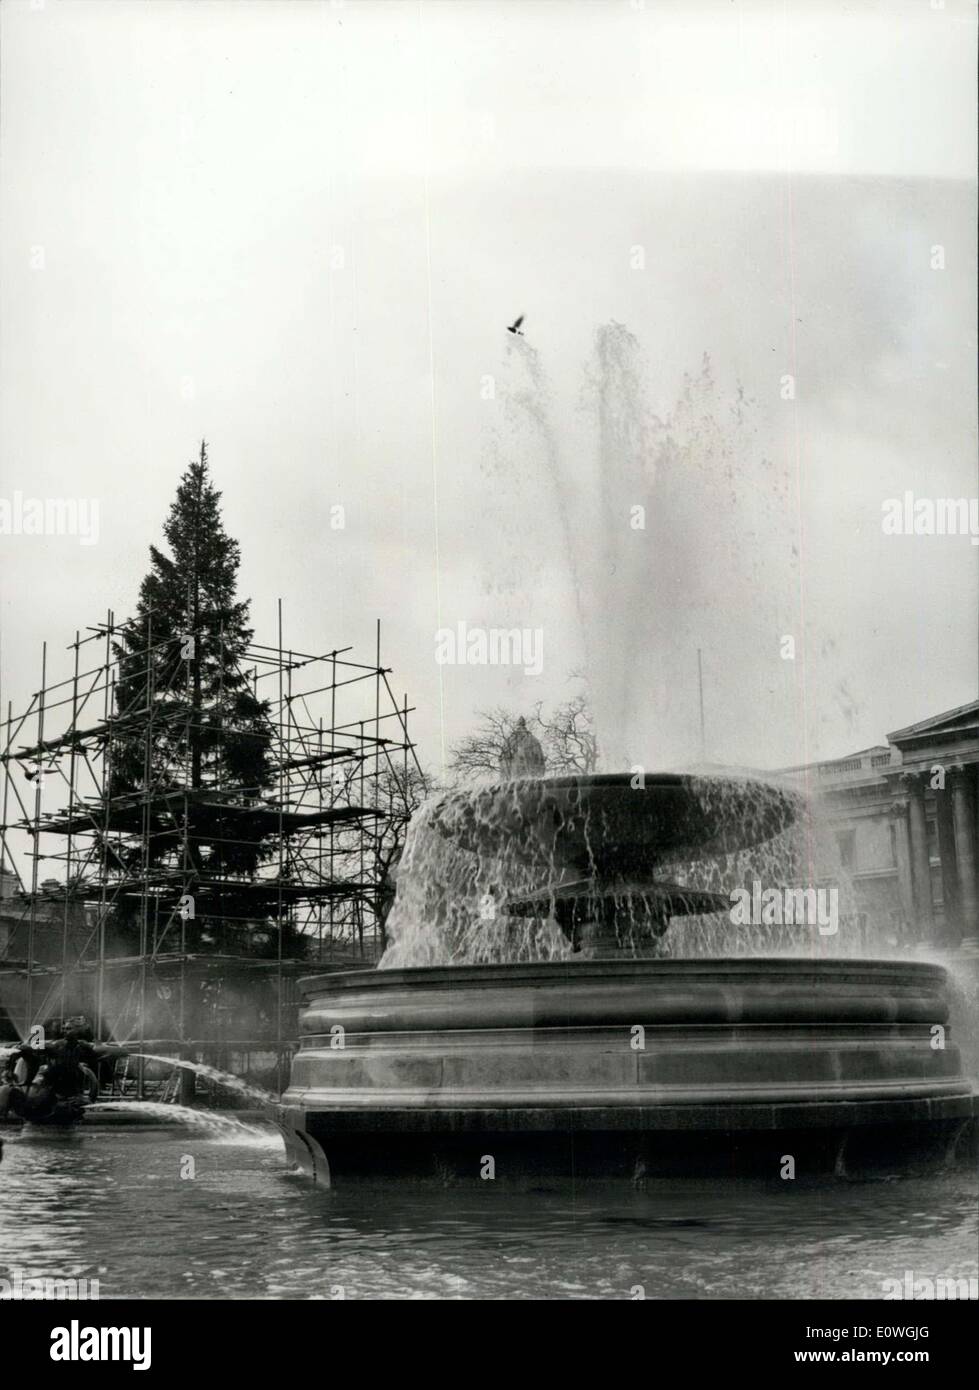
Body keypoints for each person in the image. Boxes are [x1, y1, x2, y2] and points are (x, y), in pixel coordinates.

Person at [0, 1017, 125, 1122]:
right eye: (64, 1028)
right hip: (51, 1086)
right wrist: (24, 1047)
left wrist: (116, 1050)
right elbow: (41, 1047)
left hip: (69, 1088)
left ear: (78, 1031)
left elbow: (99, 1050)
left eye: (69, 1029)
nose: (65, 1031)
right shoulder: (58, 1045)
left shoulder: (82, 1046)